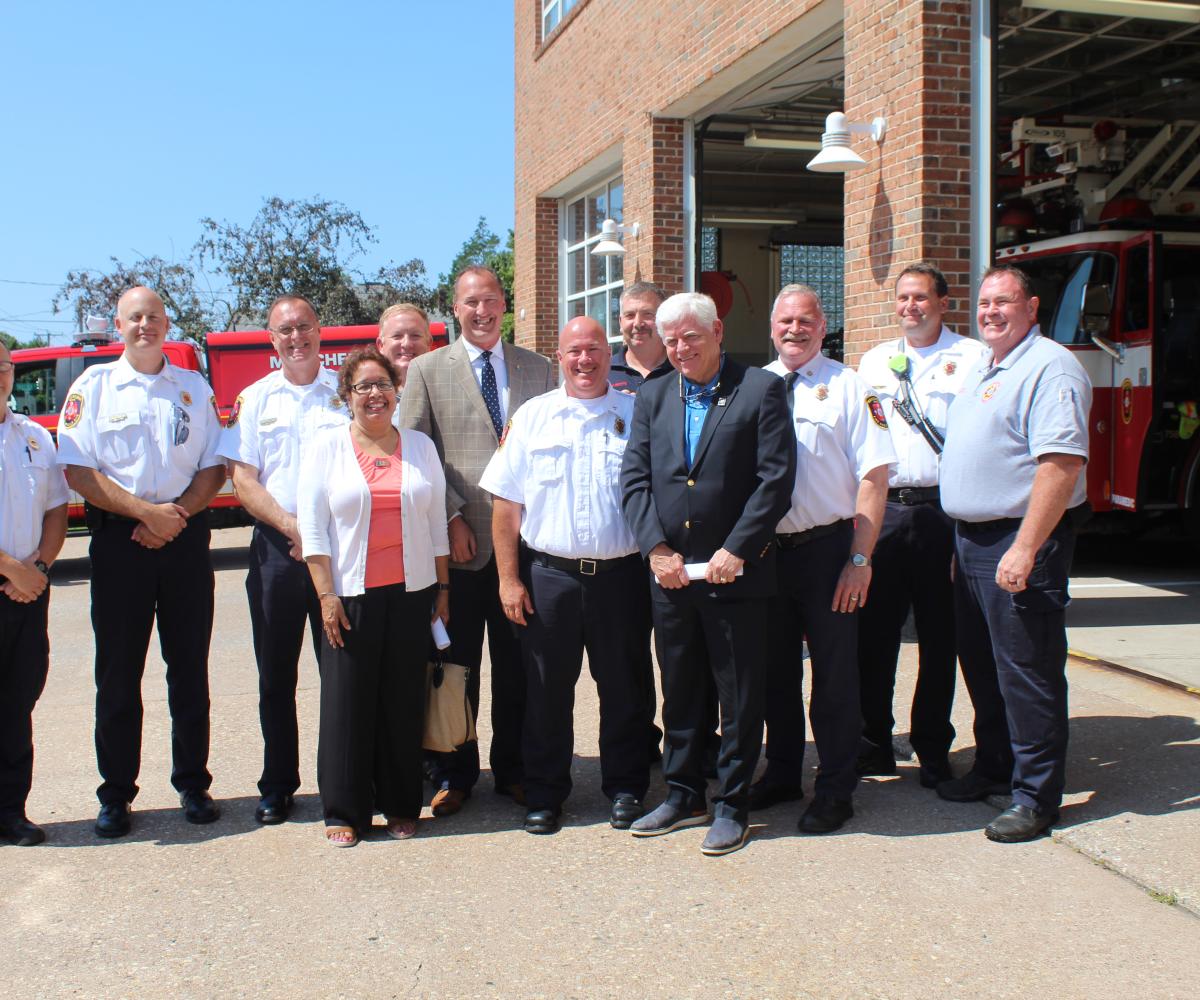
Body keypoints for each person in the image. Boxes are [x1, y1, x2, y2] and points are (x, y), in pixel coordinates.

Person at [621, 291, 794, 856]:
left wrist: (738, 548)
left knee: (738, 696)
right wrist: (655, 549)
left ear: (717, 330)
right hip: (671, 577)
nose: (680, 348)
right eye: (670, 340)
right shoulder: (651, 396)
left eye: (690, 336)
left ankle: (732, 805)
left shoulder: (761, 390)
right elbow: (636, 481)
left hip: (735, 575)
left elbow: (775, 482)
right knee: (681, 691)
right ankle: (682, 793)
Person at [57, 286, 227, 838]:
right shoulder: (94, 386)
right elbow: (79, 471)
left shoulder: (192, 388)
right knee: (118, 674)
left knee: (189, 670)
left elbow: (213, 467)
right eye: (134, 317)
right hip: (118, 545)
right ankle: (116, 794)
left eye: (154, 316)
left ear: (167, 322)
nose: (145, 325)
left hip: (183, 540)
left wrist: (173, 517)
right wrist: (146, 515)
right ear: (118, 325)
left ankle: (193, 784)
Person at [938, 265, 1091, 843]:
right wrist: (965, 537)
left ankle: (1035, 796)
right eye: (983, 303)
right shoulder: (989, 364)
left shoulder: (1051, 366)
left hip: (1020, 538)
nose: (991, 312)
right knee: (982, 667)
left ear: (1031, 307)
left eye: (1004, 302)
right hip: (975, 539)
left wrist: (1025, 547)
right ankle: (995, 767)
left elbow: (1060, 463)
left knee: (1027, 673)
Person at [482, 316, 649, 835]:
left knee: (624, 688)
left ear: (609, 353)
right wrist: (509, 581)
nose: (585, 359)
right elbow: (505, 506)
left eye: (594, 349)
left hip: (620, 578)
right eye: (575, 350)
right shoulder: (532, 417)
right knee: (546, 691)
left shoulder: (636, 413)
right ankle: (546, 793)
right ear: (560, 357)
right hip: (548, 578)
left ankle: (625, 787)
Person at [399, 266, 555, 816]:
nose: (483, 311)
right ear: (455, 309)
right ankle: (454, 771)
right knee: (456, 670)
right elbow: (410, 455)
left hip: (524, 550)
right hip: (459, 553)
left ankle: (512, 769)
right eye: (472, 302)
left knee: (518, 670)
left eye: (491, 300)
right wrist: (450, 517)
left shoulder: (541, 369)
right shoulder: (425, 370)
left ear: (505, 303)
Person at [753, 284, 894, 834]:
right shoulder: (754, 388)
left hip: (828, 550)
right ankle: (784, 772)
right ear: (771, 326)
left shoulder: (851, 388)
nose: (794, 329)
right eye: (785, 319)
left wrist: (860, 561)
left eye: (805, 320)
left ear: (823, 324)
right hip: (768, 554)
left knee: (834, 676)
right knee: (775, 674)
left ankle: (836, 788)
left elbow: (875, 477)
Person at [297, 347, 450, 846]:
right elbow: (313, 530)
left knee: (403, 701)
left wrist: (442, 588)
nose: (374, 394)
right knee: (347, 704)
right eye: (362, 386)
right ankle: (344, 810)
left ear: (396, 390)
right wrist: (325, 596)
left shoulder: (420, 447)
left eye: (382, 384)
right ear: (347, 395)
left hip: (412, 591)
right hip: (350, 594)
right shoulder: (326, 448)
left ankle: (402, 804)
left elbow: (436, 524)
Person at [218, 294, 349, 824]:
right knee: (276, 674)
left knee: (340, 671)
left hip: (339, 551)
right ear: (271, 340)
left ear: (320, 332)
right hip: (277, 548)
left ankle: (341, 782)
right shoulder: (255, 399)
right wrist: (293, 527)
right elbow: (243, 479)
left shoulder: (343, 393)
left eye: (304, 327)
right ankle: (277, 785)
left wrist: (318, 533)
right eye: (284, 330)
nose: (296, 337)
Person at [855, 264, 986, 787]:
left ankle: (932, 745)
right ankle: (873, 742)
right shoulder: (874, 362)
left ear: (942, 302)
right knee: (874, 634)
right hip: (886, 510)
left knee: (940, 636)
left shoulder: (972, 359)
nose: (911, 306)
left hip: (942, 512)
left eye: (921, 298)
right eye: (903, 298)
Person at [0, 341, 68, 846]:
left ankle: (11, 812)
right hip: (14, 579)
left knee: (18, 702)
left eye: (2, 368)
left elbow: (56, 509)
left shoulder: (34, 438)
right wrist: (11, 570)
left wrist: (38, 567)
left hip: (29, 589)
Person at [609, 281, 672, 393]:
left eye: (648, 314)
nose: (638, 323)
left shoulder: (681, 368)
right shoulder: (605, 372)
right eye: (630, 315)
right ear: (620, 323)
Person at [376, 302, 433, 412]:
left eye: (415, 336)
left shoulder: (447, 391)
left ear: (428, 343)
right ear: (381, 345)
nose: (406, 344)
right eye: (397, 336)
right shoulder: (366, 397)